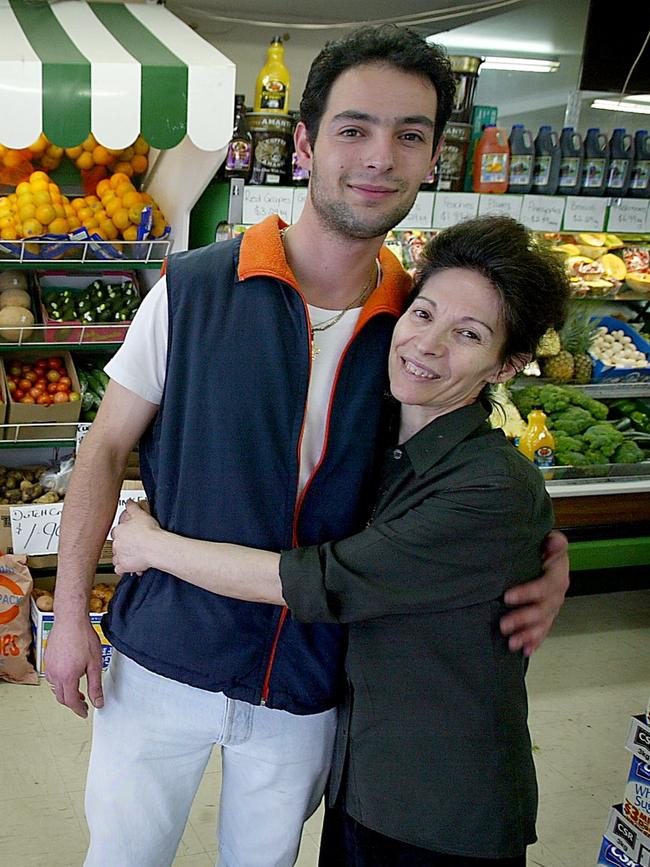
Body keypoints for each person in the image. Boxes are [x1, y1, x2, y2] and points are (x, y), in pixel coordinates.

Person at [44, 24, 569, 867]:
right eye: (354, 129)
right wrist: (70, 616)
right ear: (304, 141)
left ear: (433, 157)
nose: (379, 157)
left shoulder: (417, 329)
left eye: (410, 135)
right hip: (162, 662)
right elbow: (105, 449)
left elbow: (461, 479)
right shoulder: (195, 288)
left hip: (308, 684)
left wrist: (546, 555)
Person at [112, 215, 571, 865]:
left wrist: (151, 545)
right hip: (363, 787)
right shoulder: (395, 447)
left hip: (438, 807)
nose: (428, 345)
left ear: (510, 363)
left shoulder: (490, 487)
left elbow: (321, 578)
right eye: (424, 314)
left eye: (468, 334)